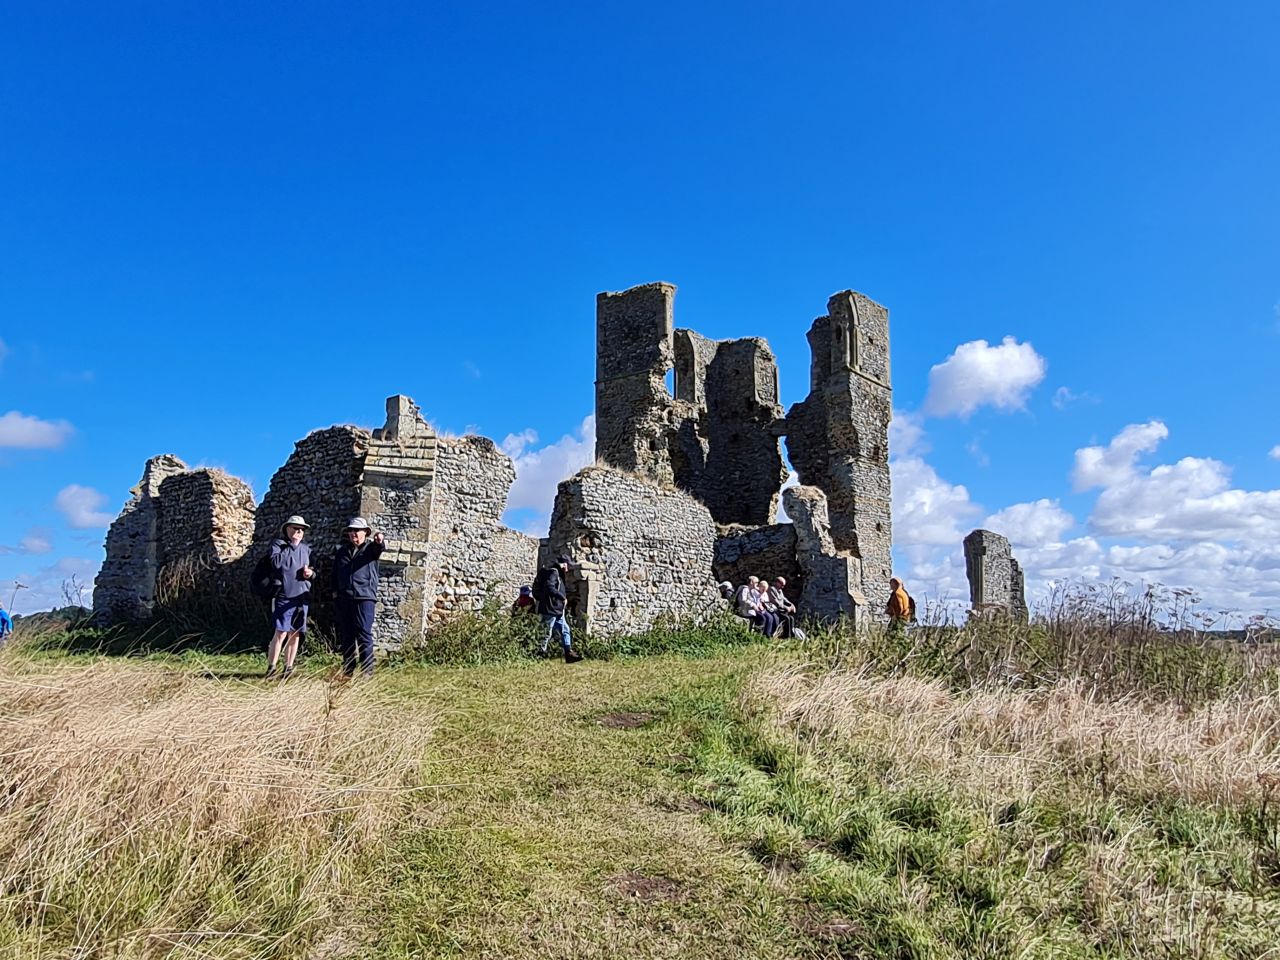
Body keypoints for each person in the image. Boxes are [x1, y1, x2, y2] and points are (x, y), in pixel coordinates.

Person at [333, 517, 385, 677]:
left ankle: (367, 671)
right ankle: (348, 669)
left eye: (357, 530)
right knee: (347, 635)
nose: (353, 533)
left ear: (365, 533)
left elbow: (379, 549)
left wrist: (379, 541)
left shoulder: (370, 549)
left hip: (365, 597)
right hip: (345, 597)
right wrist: (336, 593)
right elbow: (335, 574)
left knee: (364, 633)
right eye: (351, 530)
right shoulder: (341, 551)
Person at [266, 515, 314, 680]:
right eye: (295, 528)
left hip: (302, 596)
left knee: (296, 633)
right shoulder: (278, 546)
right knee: (281, 632)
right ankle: (271, 668)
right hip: (284, 595)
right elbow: (275, 564)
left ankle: (288, 668)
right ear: (287, 529)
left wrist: (311, 574)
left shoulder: (307, 550)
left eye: (301, 529)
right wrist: (291, 546)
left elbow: (314, 572)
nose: (299, 531)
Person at [532, 555, 583, 663]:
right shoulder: (553, 573)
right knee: (546, 632)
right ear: (562, 564)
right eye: (567, 565)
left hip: (557, 609)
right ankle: (540, 653)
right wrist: (562, 597)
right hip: (550, 608)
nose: (568, 568)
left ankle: (569, 653)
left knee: (565, 630)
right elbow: (549, 587)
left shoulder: (558, 574)